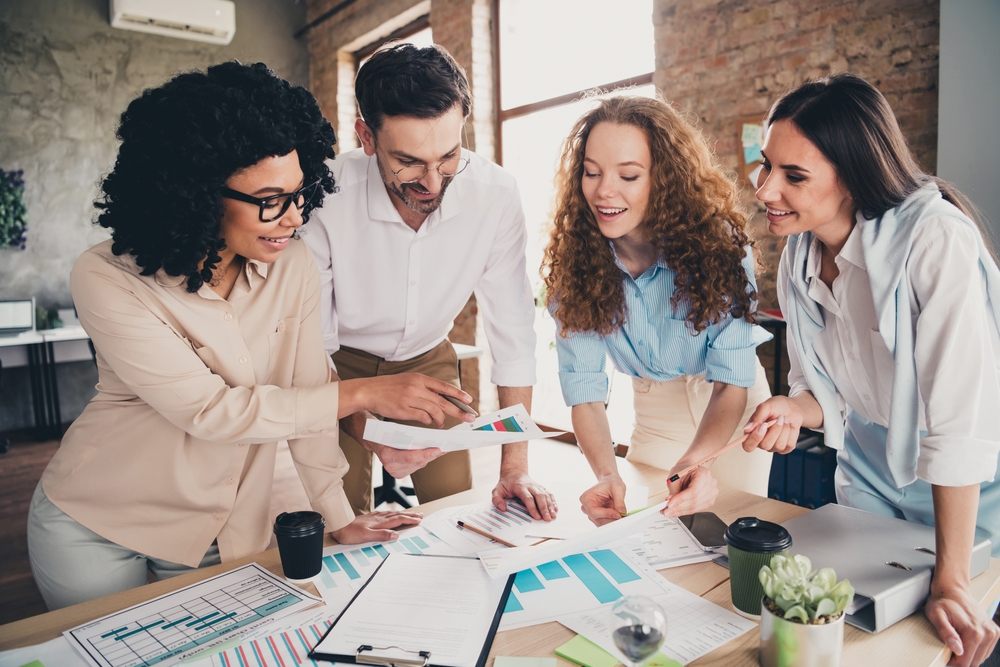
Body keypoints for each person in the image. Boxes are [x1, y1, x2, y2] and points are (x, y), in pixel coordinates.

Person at [26, 61, 476, 611]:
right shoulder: (104, 276)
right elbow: (211, 411)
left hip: (221, 530)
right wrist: (362, 393)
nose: (293, 219)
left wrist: (340, 517)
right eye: (269, 200)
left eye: (299, 193)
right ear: (196, 193)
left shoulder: (292, 265)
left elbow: (306, 395)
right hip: (97, 524)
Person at [742, 73, 1000, 667]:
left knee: (950, 639)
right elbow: (822, 391)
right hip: (870, 477)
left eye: (793, 176)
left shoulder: (935, 241)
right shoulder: (798, 257)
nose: (764, 190)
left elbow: (959, 427)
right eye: (766, 167)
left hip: (968, 487)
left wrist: (954, 577)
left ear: (853, 176)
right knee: (862, 636)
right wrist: (793, 407)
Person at [304, 43, 556, 520]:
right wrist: (369, 430)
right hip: (339, 366)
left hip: (429, 358)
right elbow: (311, 343)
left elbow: (514, 331)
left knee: (455, 503)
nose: (433, 183)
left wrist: (516, 466)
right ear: (367, 136)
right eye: (410, 162)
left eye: (448, 157)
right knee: (343, 511)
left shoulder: (496, 194)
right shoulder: (325, 195)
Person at [542, 95, 773, 527]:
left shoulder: (720, 246)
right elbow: (585, 390)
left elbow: (730, 384)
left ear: (665, 179)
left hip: (730, 398)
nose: (603, 190)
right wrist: (607, 473)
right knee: (655, 529)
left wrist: (696, 461)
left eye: (628, 175)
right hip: (654, 404)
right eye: (591, 172)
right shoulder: (575, 263)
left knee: (735, 530)